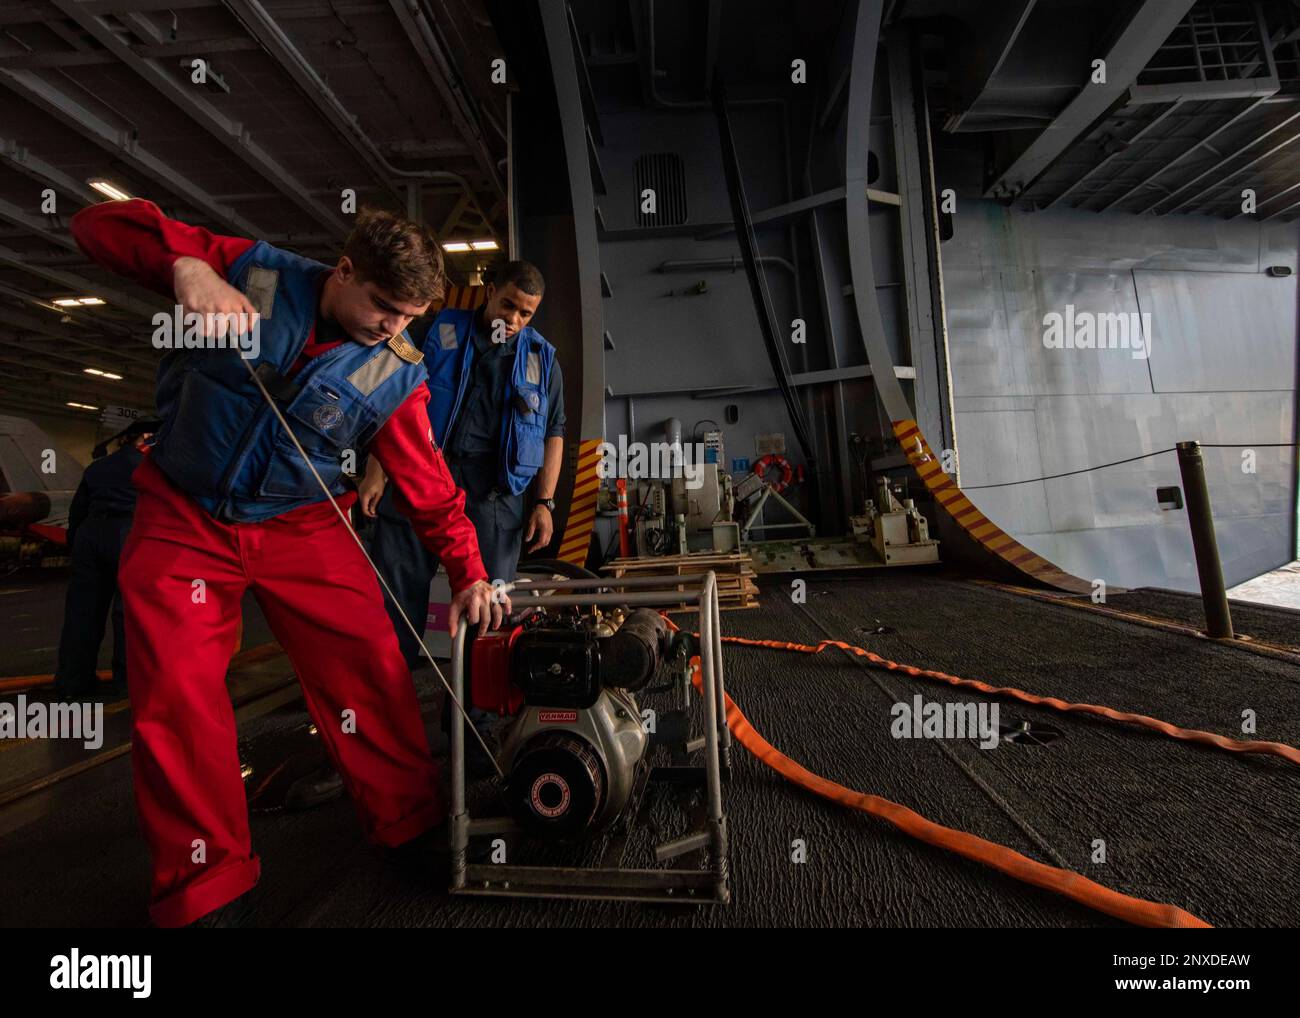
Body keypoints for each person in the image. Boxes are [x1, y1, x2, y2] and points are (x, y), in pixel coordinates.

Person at [69, 198, 509, 928]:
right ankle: (205, 883)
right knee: (176, 690)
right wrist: (184, 267)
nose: (395, 328)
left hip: (303, 522)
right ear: (343, 271)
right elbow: (93, 226)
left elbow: (428, 483)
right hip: (184, 512)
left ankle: (409, 820)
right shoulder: (251, 270)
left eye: (409, 317)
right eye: (385, 308)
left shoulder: (394, 371)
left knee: (368, 656)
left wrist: (468, 570)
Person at [361, 261, 565, 661]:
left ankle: (475, 716)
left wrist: (544, 502)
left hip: (494, 495)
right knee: (395, 598)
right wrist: (375, 472)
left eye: (526, 313)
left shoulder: (542, 359)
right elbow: (389, 394)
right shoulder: (433, 331)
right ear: (489, 291)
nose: (514, 319)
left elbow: (553, 431)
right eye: (508, 305)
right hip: (422, 477)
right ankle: (388, 700)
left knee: (488, 607)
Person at [51, 418, 158, 702]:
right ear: (145, 438)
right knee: (128, 616)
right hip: (129, 535)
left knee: (82, 614)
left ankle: (71, 682)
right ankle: (126, 685)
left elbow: (77, 512)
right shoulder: (154, 467)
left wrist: (76, 547)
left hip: (90, 535)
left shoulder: (97, 467)